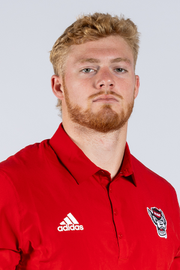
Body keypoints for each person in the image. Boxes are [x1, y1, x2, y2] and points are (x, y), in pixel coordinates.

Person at [0, 12, 179, 270]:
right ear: (59, 87)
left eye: (119, 69)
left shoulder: (163, 196)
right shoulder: (10, 185)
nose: (106, 80)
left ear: (135, 86)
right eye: (88, 69)